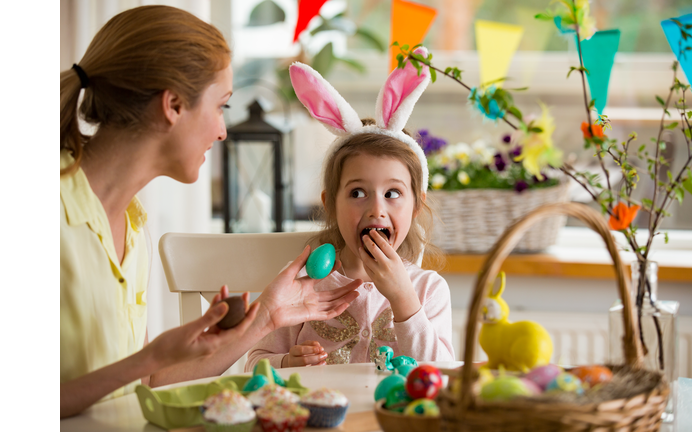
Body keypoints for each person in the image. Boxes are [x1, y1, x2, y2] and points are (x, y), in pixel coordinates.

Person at [60, 5, 362, 418]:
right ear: (173, 105)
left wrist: (266, 319)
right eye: (221, 106)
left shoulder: (132, 223)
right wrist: (149, 357)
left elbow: (144, 385)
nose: (222, 130)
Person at [245, 47, 455, 370]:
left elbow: (442, 375)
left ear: (416, 207)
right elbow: (255, 363)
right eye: (358, 192)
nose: (376, 209)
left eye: (393, 193)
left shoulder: (428, 290)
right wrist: (286, 362)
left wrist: (403, 299)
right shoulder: (302, 285)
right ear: (330, 203)